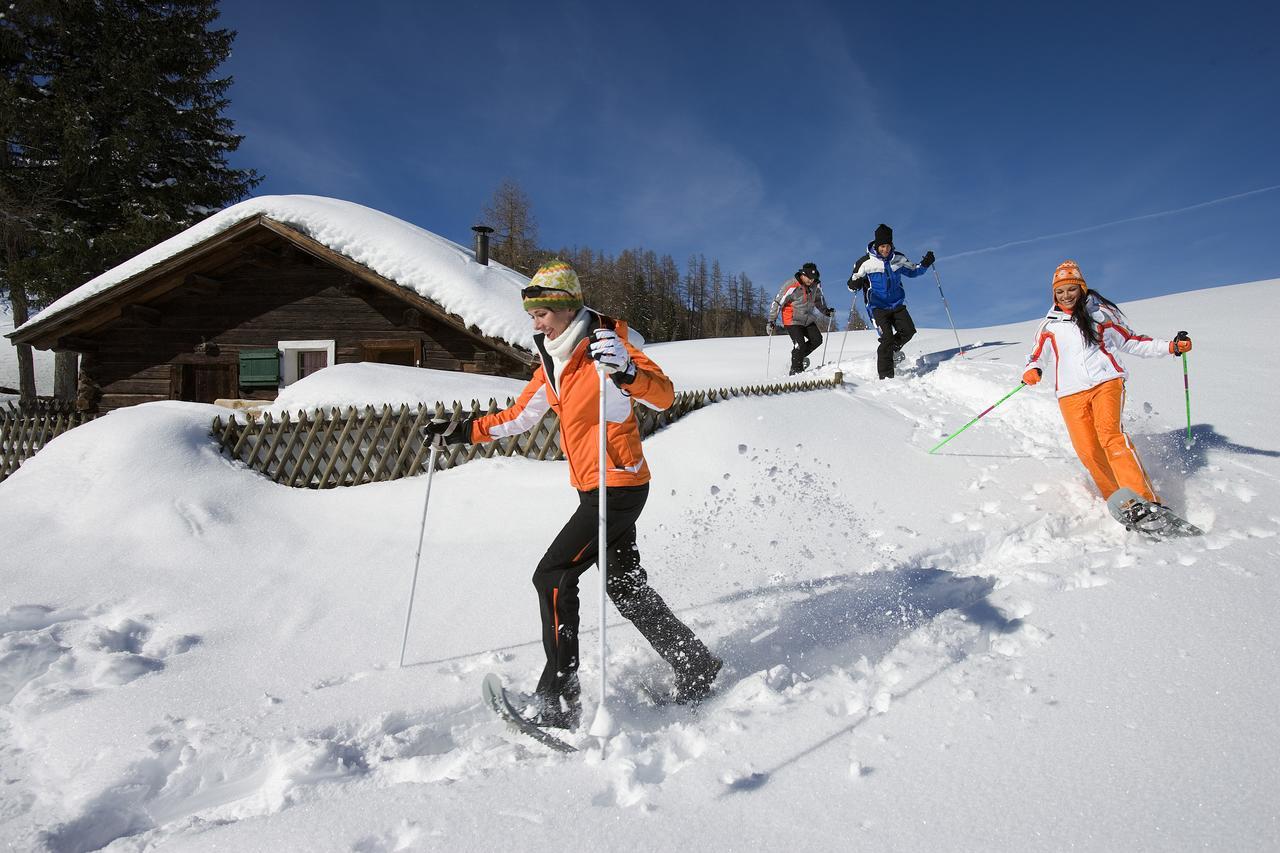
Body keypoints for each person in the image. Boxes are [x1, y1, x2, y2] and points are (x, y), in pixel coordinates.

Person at [423, 259, 722, 729]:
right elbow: (521, 416)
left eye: (542, 313)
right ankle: (694, 663)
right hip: (592, 489)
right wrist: (463, 430)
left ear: (565, 307)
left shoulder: (610, 343)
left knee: (553, 574)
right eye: (533, 315)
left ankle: (559, 695)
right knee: (623, 587)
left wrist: (626, 374)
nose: (535, 322)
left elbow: (663, 395)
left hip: (619, 484)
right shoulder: (552, 358)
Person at [1022, 260, 1192, 517]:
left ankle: (1145, 500)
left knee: (1110, 437)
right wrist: (1032, 369)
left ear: (1081, 288)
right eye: (1060, 291)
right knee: (1088, 451)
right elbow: (1036, 356)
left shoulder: (1100, 314)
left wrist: (1170, 347)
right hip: (1069, 393)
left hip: (1106, 382)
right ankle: (1123, 504)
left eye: (1071, 289)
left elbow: (1132, 342)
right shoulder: (1049, 326)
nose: (1066, 295)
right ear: (1053, 294)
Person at [847, 223, 935, 379]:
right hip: (877, 307)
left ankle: (891, 352)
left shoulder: (899, 258)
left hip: (897, 304)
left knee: (908, 331)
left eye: (887, 246)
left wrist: (926, 264)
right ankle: (886, 378)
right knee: (886, 338)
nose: (885, 250)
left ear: (891, 244)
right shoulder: (865, 262)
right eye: (881, 246)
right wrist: (855, 284)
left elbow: (914, 271)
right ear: (876, 245)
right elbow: (852, 284)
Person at [768, 262, 834, 375]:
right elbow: (778, 302)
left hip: (807, 319)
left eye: (813, 278)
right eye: (809, 278)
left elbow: (818, 300)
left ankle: (797, 357)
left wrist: (825, 311)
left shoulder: (816, 285)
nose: (811, 280)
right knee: (800, 344)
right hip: (792, 319)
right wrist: (771, 320)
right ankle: (795, 371)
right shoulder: (791, 285)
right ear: (802, 274)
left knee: (817, 340)